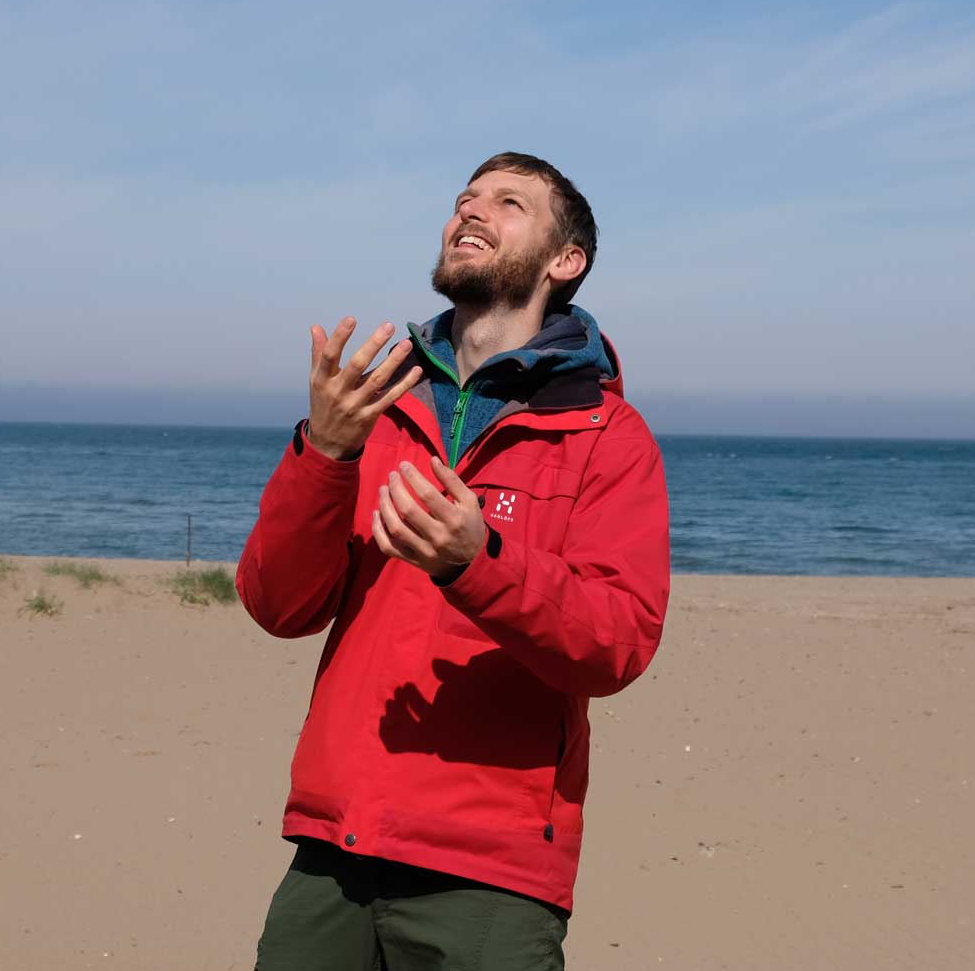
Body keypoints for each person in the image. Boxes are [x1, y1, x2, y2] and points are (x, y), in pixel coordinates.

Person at [238, 152, 671, 970]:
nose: (470, 211)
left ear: (563, 260)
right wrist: (324, 453)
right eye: (464, 199)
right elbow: (276, 605)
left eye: (508, 202)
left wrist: (477, 563)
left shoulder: (605, 434)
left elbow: (617, 641)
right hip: (334, 842)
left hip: (488, 868)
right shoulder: (377, 402)